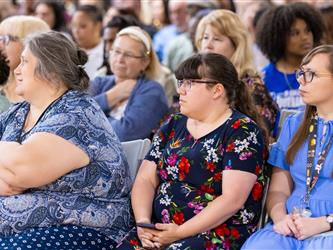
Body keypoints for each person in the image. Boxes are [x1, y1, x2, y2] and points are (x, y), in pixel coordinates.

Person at [116, 53, 267, 249]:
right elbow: (145, 179)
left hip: (215, 232)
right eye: (180, 82)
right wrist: (143, 224)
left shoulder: (242, 131)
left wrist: (179, 233)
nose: (181, 90)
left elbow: (232, 200)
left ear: (217, 90)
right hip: (160, 229)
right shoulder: (174, 123)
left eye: (189, 83)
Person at [0, 30, 132, 249]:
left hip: (86, 229)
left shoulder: (77, 114)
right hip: (29, 226)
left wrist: (12, 172)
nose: (17, 70)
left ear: (50, 71)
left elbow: (21, 171)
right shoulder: (18, 113)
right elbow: (14, 174)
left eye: (24, 62)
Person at [242, 44, 333, 249]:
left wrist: (323, 222)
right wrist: (280, 218)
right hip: (290, 226)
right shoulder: (295, 124)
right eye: (301, 73)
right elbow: (279, 190)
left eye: (311, 74)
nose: (300, 79)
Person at [195, 9, 279, 138]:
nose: (208, 45)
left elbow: (257, 135)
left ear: (237, 45)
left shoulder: (251, 85)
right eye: (205, 37)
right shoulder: (193, 80)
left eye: (217, 39)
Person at [89, 26, 169, 142]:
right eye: (116, 51)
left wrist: (89, 123)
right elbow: (72, 116)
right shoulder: (99, 82)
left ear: (145, 62)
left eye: (128, 55)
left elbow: (124, 134)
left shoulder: (153, 91)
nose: (120, 59)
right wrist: (111, 96)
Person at [256, 2, 324, 111]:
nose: (305, 37)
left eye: (308, 31)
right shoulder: (262, 78)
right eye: (295, 33)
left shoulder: (323, 73)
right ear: (278, 37)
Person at [0, 15, 50, 105]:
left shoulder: (44, 97)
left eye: (7, 39)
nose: (0, 45)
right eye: (0, 38)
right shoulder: (3, 85)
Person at [71, 4, 103, 80]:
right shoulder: (69, 52)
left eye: (82, 26)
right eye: (74, 25)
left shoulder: (107, 52)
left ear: (97, 26)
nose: (76, 31)